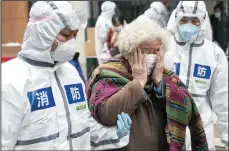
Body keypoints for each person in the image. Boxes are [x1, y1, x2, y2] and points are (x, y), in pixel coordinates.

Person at [2, 1, 132, 150]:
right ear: (43, 31)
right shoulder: (10, 79)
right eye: (65, 35)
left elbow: (84, 126)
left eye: (74, 35)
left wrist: (116, 134)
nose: (71, 42)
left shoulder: (71, 73)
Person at [86, 17, 208, 150]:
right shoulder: (108, 73)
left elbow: (184, 109)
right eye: (145, 51)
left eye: (156, 51)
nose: (152, 56)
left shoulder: (167, 76)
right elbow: (107, 115)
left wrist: (159, 83)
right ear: (130, 51)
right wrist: (138, 82)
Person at [164, 1, 228, 150]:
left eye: (194, 20)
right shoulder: (164, 48)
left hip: (201, 133)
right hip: (167, 130)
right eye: (184, 20)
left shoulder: (214, 54)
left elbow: (223, 100)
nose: (189, 24)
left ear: (203, 20)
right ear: (176, 19)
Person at [95, 1, 116, 65]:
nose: (114, 11)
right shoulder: (102, 21)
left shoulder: (107, 19)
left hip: (109, 52)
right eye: (113, 9)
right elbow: (103, 37)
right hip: (104, 52)